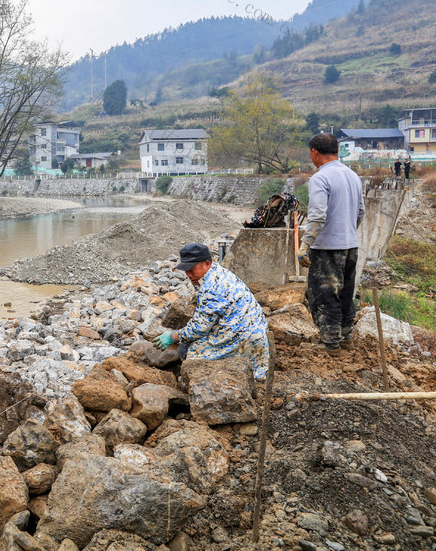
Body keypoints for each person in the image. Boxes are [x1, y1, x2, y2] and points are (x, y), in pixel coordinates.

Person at [154, 243, 271, 379]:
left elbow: (199, 329)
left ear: (207, 263)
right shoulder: (218, 273)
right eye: (186, 270)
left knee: (187, 352)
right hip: (255, 331)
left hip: (245, 339)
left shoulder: (211, 288)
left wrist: (173, 336)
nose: (189, 275)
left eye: (192, 270)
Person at [297, 133, 365, 353]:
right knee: (346, 292)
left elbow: (317, 215)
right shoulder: (353, 175)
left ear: (314, 151)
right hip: (350, 246)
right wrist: (347, 232)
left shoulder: (320, 178)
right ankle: (346, 337)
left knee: (325, 295)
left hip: (327, 248)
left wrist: (305, 244)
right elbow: (361, 212)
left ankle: (330, 343)